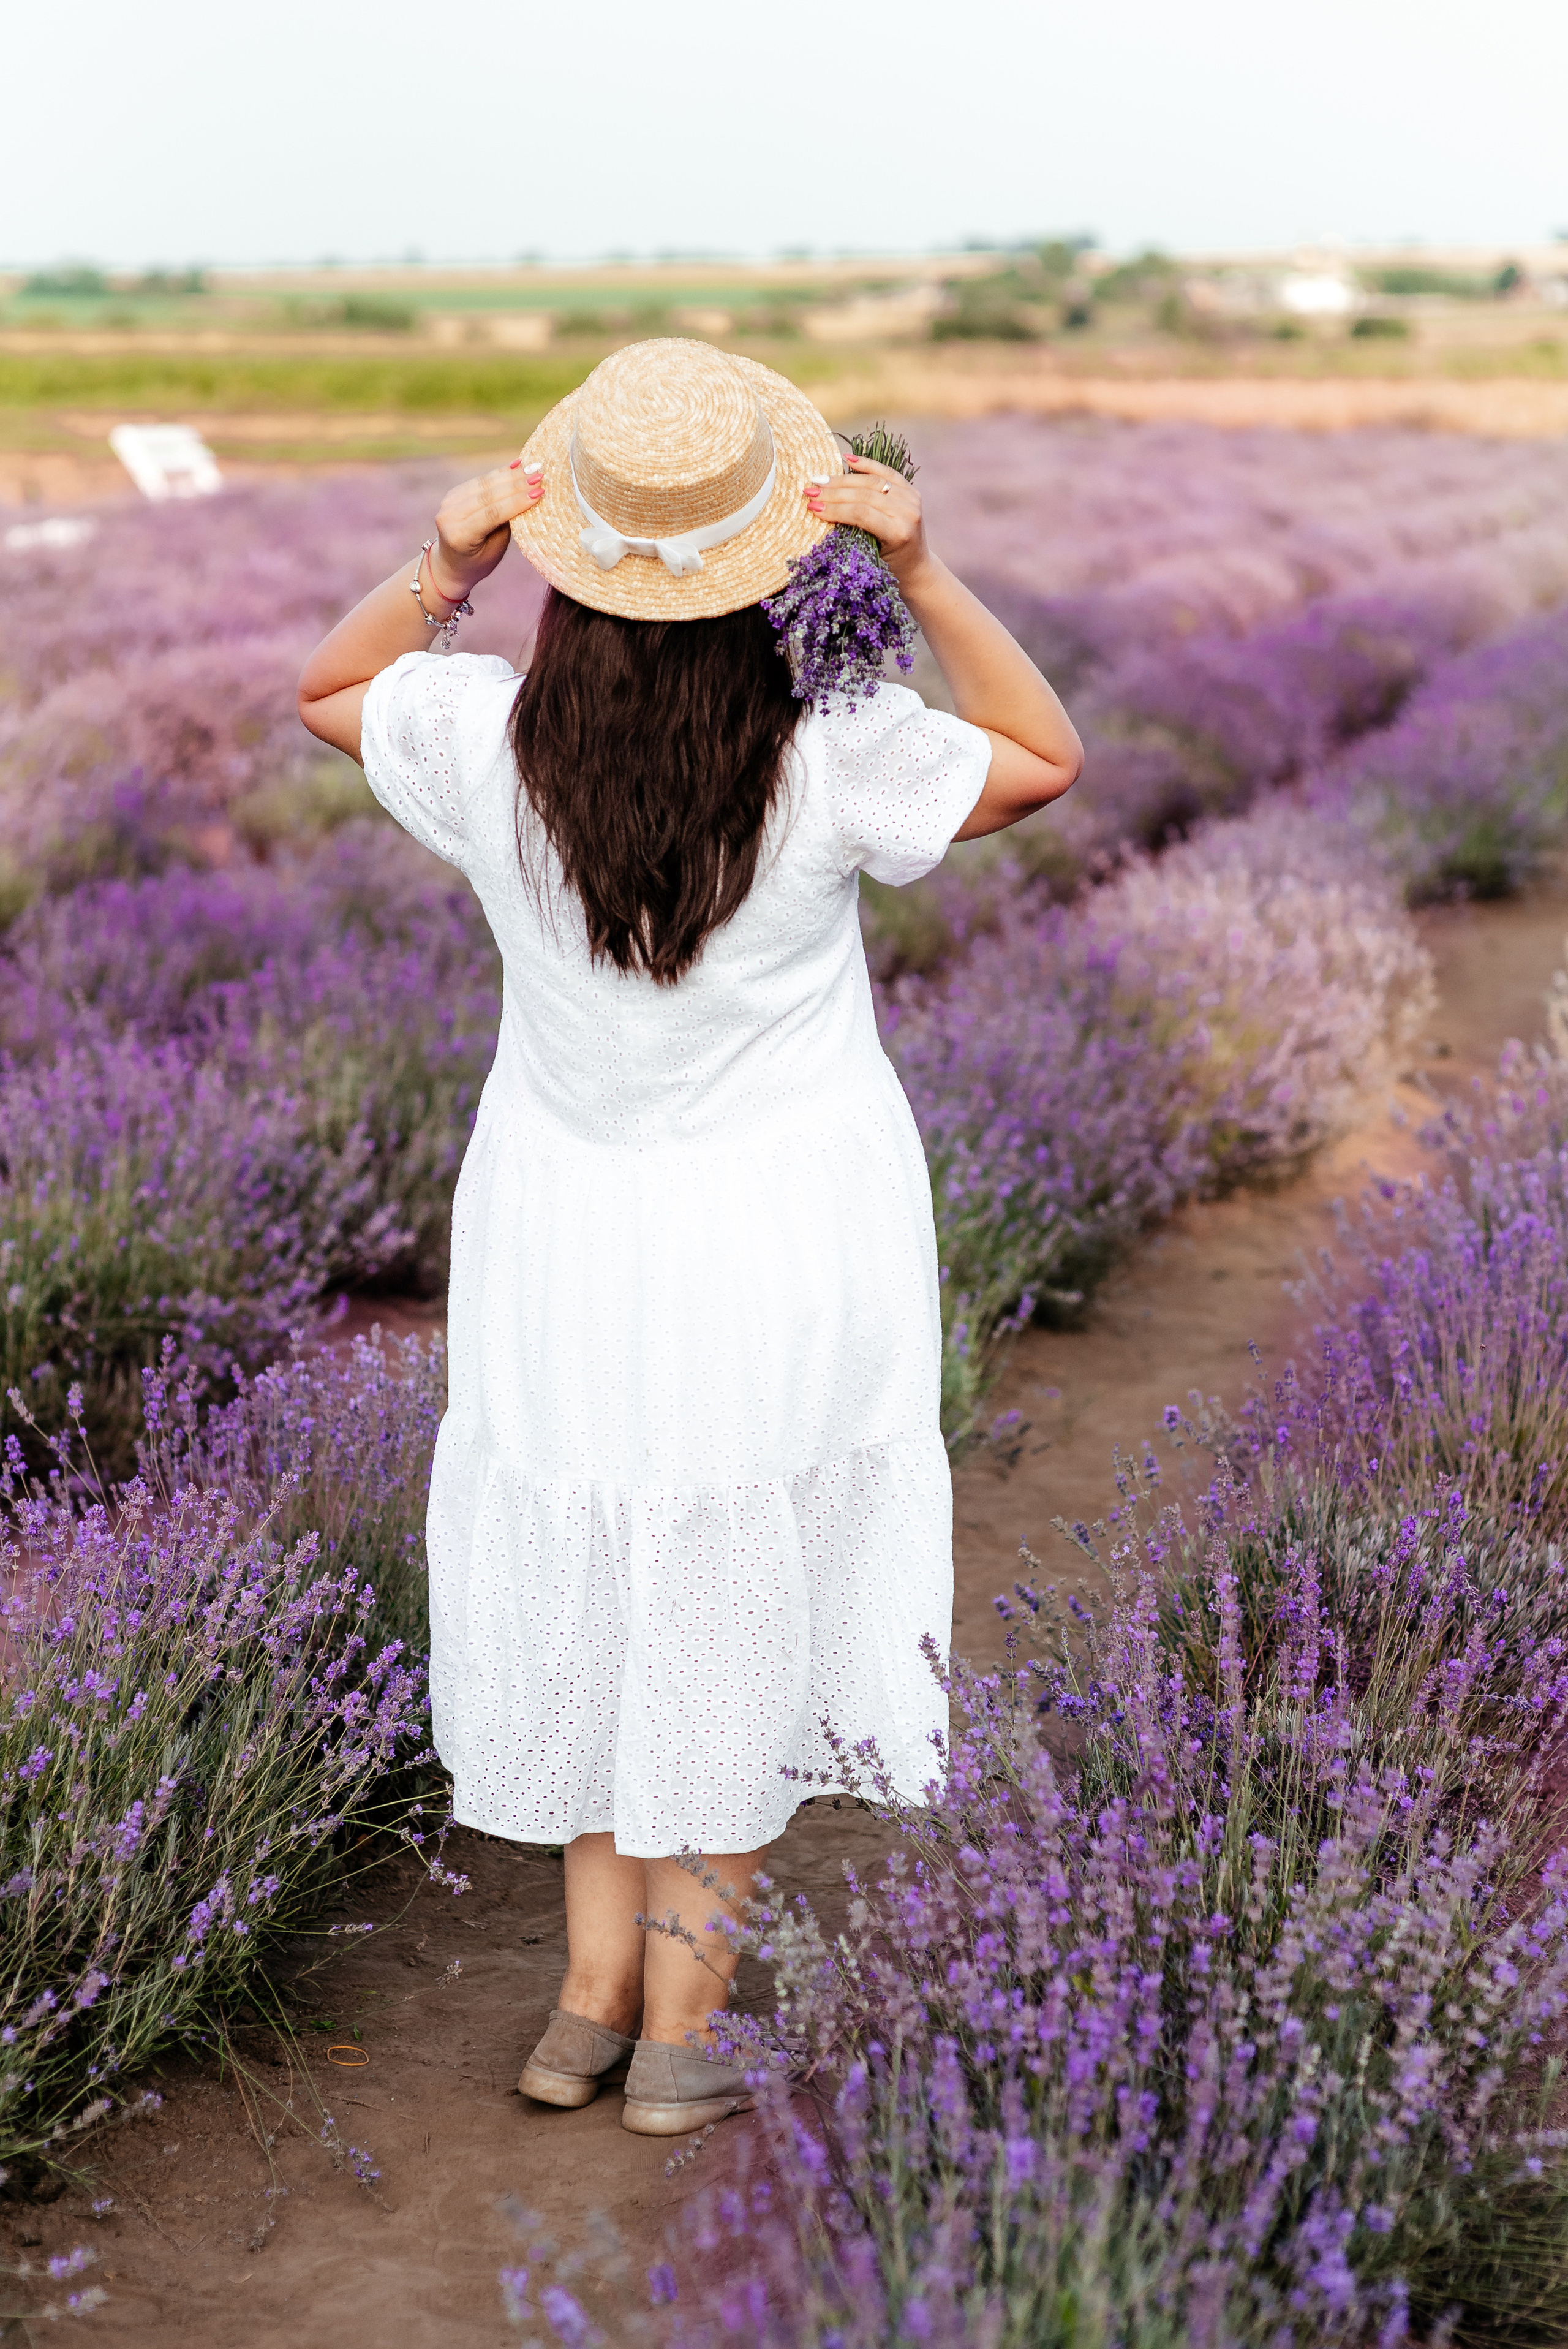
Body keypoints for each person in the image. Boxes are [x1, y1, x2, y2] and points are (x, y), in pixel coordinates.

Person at [298, 340, 1080, 2135]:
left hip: (561, 1233)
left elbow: (331, 688)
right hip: (778, 1237)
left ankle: (583, 2006)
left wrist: (446, 563)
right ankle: (683, 2032)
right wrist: (923, 569)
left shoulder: (492, 737)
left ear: (574, 559)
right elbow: (1046, 755)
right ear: (768, 563)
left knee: (594, 1577)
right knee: (733, 1580)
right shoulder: (835, 747)